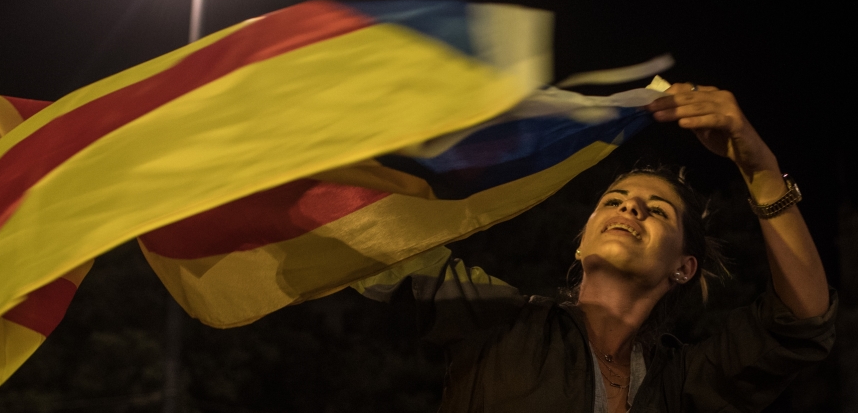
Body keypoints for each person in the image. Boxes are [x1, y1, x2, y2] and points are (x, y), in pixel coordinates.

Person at [353, 83, 836, 412]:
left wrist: (761, 168)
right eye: (616, 200)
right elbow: (377, 243)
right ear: (581, 244)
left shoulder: (684, 383)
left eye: (658, 210)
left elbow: (801, 325)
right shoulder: (502, 323)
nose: (631, 210)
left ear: (684, 268)